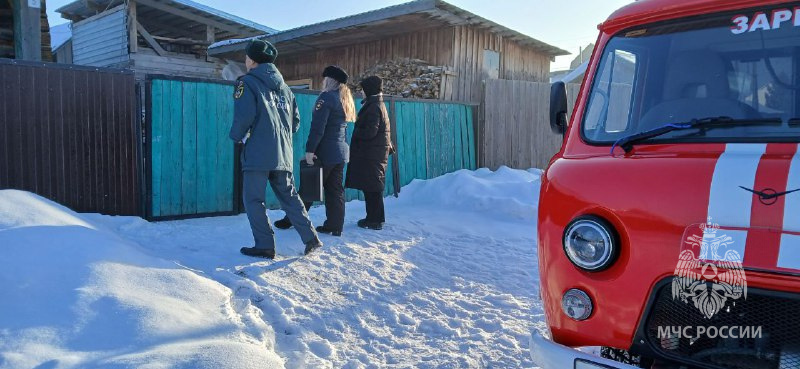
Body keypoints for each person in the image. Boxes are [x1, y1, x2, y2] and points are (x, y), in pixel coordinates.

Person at [230, 39, 323, 259]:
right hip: (283, 154)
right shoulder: (286, 90)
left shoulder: (247, 83)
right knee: (290, 197)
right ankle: (311, 239)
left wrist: (235, 136)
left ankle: (265, 245)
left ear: (252, 60)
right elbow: (295, 124)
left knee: (254, 199)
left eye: (246, 57)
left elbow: (244, 116)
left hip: (257, 154)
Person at [274, 66, 356, 237]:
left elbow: (318, 128)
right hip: (340, 153)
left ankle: (291, 220)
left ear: (329, 80)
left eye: (324, 78)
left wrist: (310, 150)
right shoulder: (344, 99)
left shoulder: (326, 98)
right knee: (335, 190)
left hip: (325, 152)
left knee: (308, 189)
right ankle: (334, 225)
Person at [345, 76, 393, 230]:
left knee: (372, 188)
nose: (362, 92)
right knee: (372, 187)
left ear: (369, 90)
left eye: (363, 89)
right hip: (375, 153)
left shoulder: (373, 107)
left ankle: (374, 221)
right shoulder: (378, 104)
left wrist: (356, 130)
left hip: (371, 154)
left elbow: (371, 131)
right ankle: (375, 218)